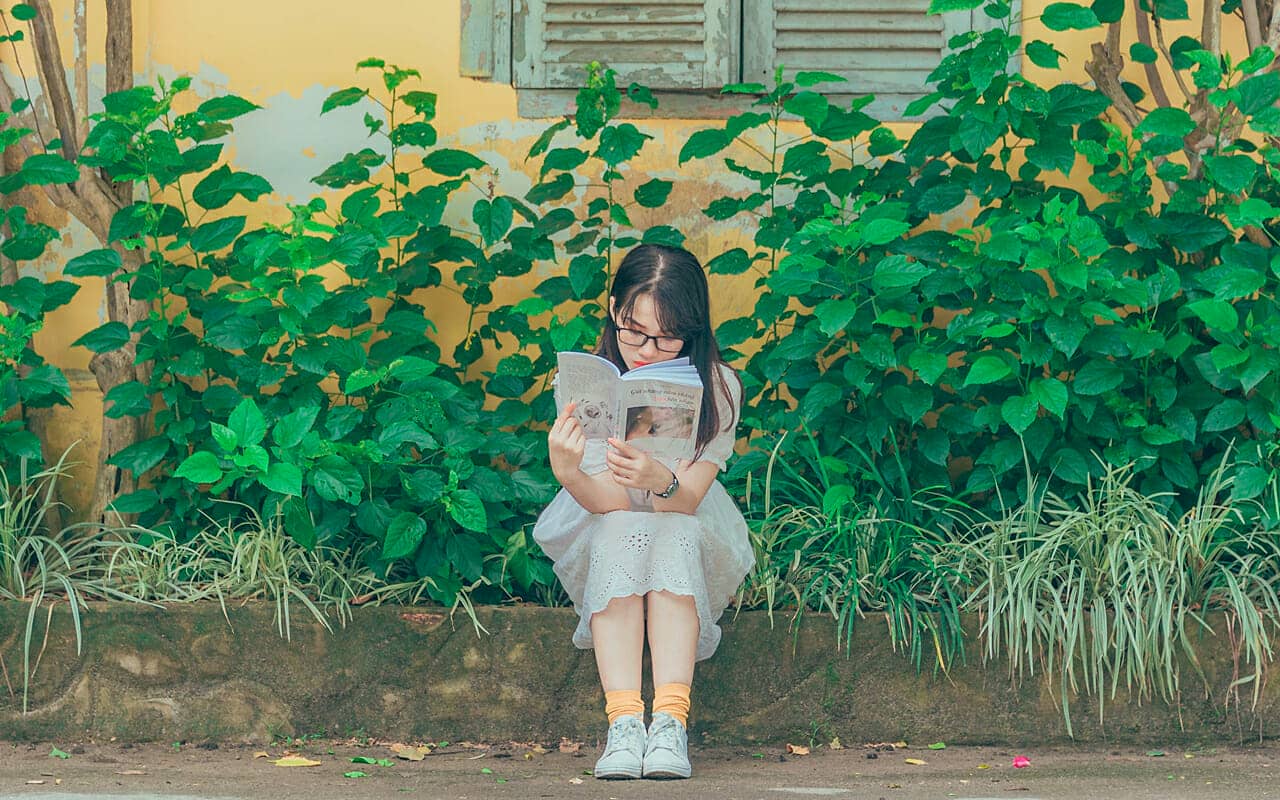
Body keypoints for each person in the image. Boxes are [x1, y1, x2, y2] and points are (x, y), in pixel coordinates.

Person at [533, 244, 753, 780]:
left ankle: (670, 723)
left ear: (693, 329)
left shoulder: (721, 387)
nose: (648, 350)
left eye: (667, 336)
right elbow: (608, 502)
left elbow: (690, 499)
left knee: (671, 528)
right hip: (603, 518)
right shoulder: (587, 384)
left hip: (688, 521)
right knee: (624, 526)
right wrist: (569, 473)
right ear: (613, 312)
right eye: (634, 331)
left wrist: (661, 480)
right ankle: (625, 723)